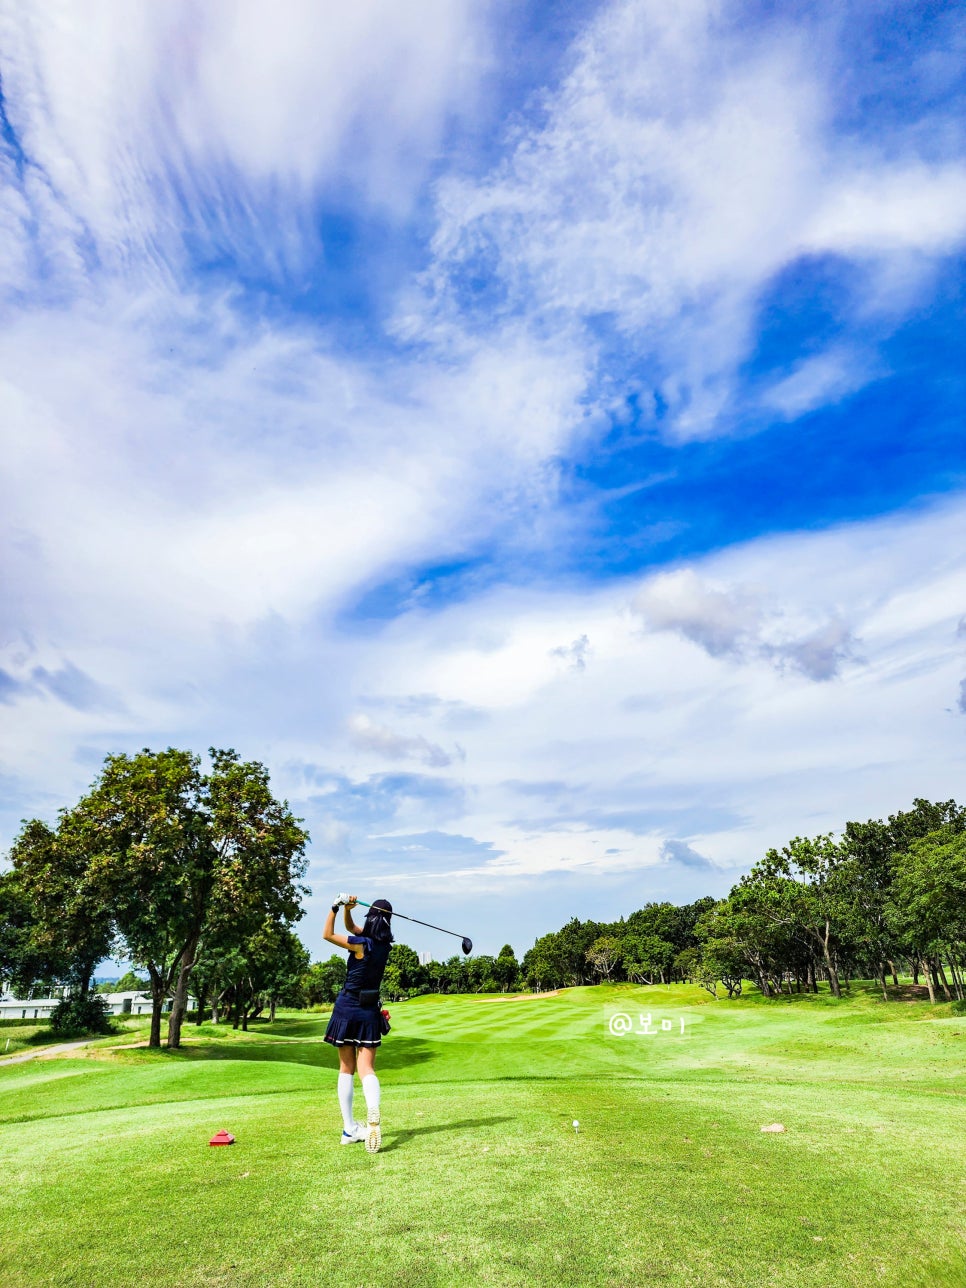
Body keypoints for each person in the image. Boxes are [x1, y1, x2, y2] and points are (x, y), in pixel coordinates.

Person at [322, 895, 393, 1153]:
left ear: (371, 918)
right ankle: (371, 1113)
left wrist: (334, 906)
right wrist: (348, 911)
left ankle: (349, 1128)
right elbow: (352, 928)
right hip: (368, 1012)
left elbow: (328, 934)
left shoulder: (361, 945)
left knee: (346, 1068)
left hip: (346, 1008)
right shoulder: (384, 946)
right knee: (367, 1069)